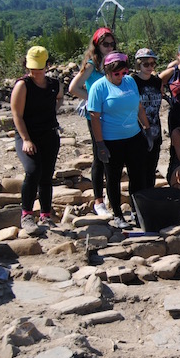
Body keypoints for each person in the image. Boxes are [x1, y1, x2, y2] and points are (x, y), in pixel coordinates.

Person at [87, 52, 154, 229]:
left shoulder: (130, 82)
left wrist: (147, 129)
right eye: (116, 74)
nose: (120, 77)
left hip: (133, 136)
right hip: (111, 140)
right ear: (107, 71)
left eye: (123, 73)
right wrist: (100, 144)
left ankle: (136, 210)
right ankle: (117, 213)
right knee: (113, 177)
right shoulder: (99, 87)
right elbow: (94, 117)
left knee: (137, 176)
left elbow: (139, 107)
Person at [11, 46, 63, 236]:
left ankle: (46, 214)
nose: (35, 71)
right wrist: (25, 139)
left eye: (39, 67)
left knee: (47, 175)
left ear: (47, 66)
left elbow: (59, 98)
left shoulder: (54, 84)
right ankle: (26, 214)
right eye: (32, 67)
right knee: (33, 170)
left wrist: (52, 110)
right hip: (28, 134)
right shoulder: (23, 85)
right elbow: (16, 114)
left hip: (49, 134)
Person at [69, 27, 117, 217]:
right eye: (106, 44)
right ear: (97, 45)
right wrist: (93, 99)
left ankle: (109, 196)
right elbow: (74, 87)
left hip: (111, 115)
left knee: (113, 155)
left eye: (112, 44)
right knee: (99, 155)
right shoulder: (92, 64)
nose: (109, 47)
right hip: (96, 116)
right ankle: (98, 201)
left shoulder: (113, 62)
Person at [132, 48, 163, 188]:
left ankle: (150, 202)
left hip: (156, 129)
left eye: (152, 64)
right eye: (146, 64)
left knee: (151, 169)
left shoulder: (157, 81)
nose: (150, 67)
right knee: (138, 169)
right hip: (138, 132)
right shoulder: (132, 81)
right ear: (139, 65)